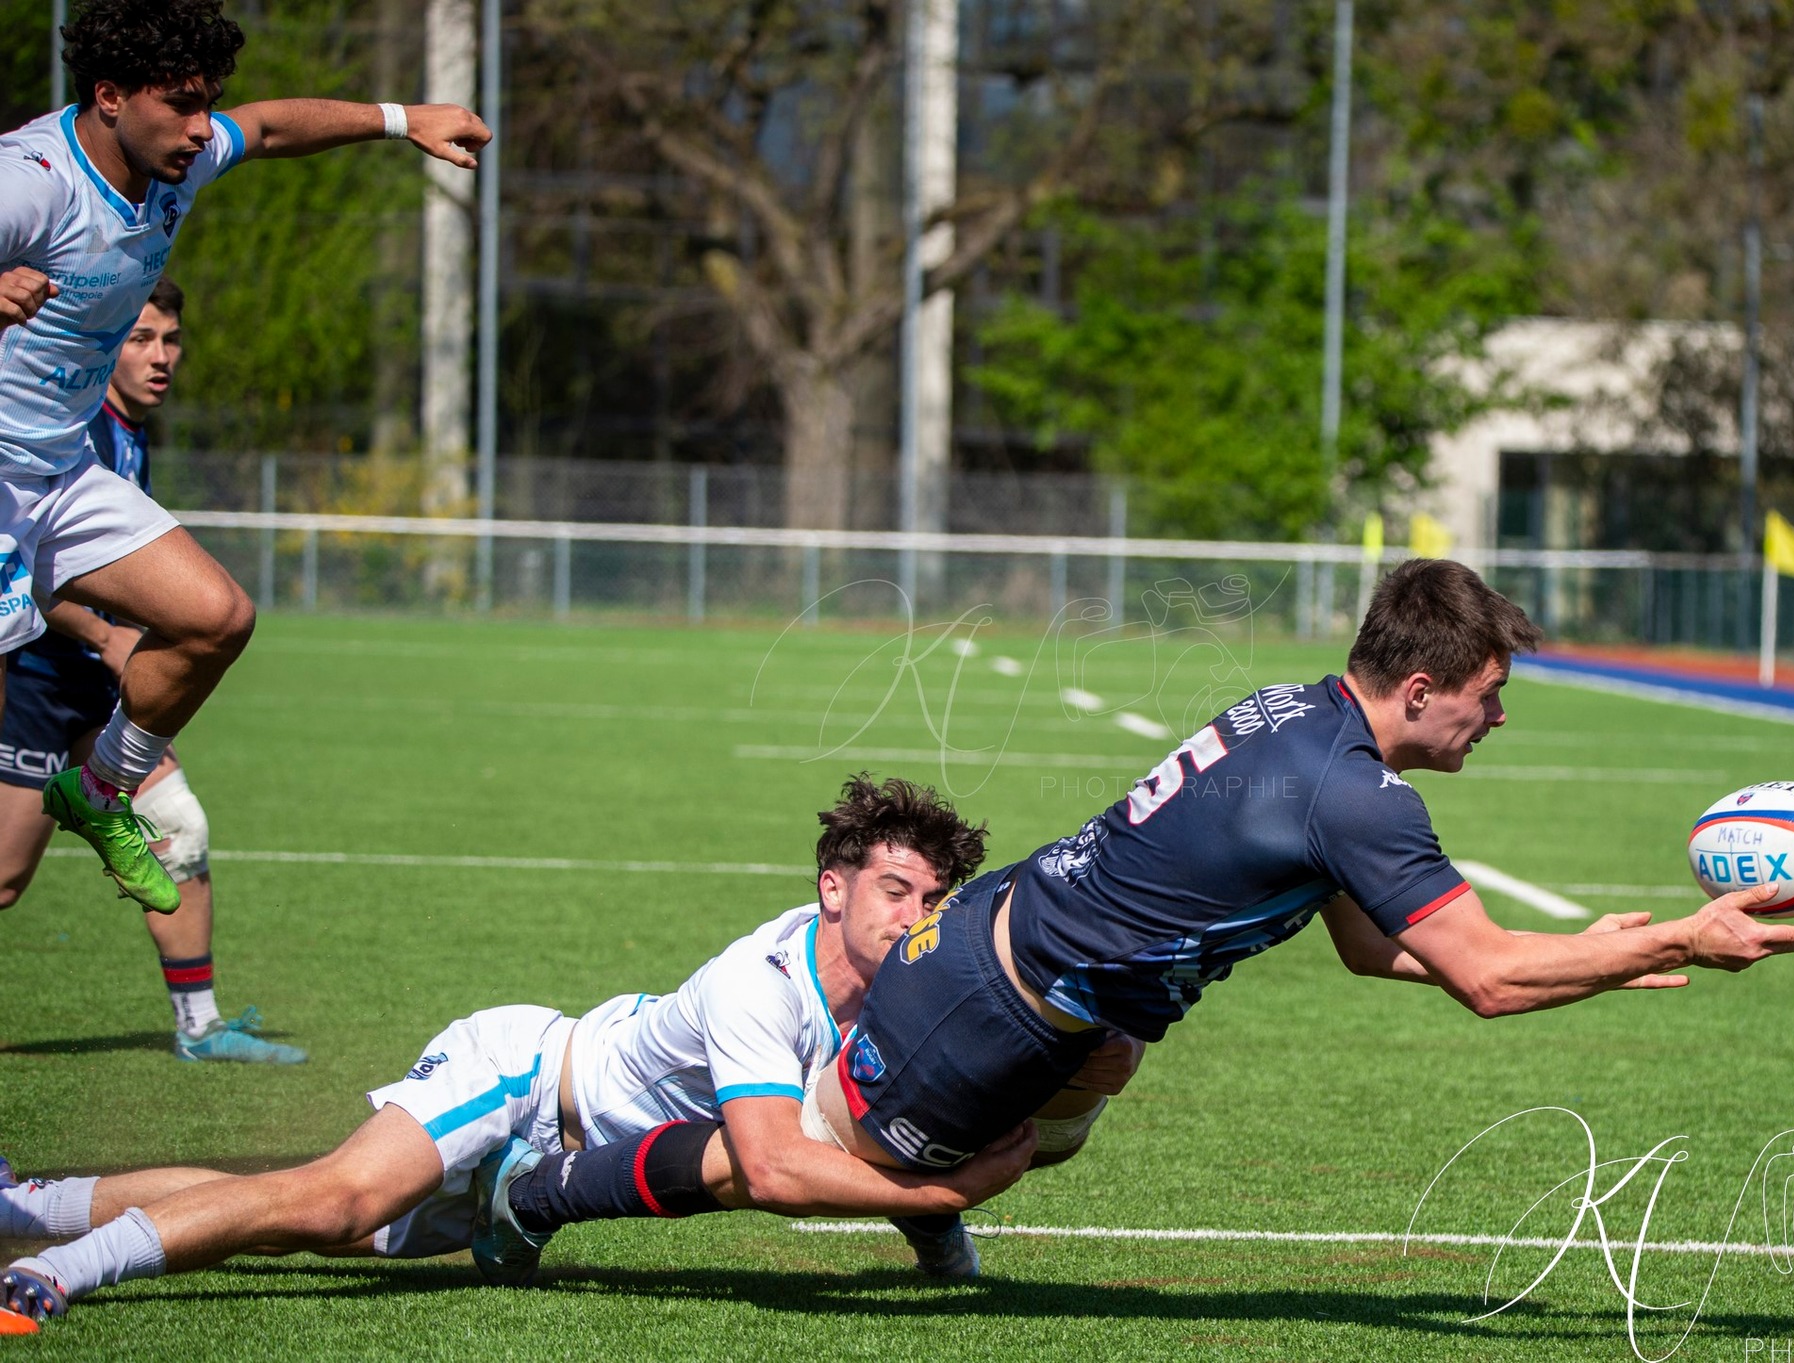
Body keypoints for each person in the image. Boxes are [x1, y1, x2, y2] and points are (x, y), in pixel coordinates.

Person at [791, 559, 1794, 1177]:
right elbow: (1487, 978)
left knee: (1106, 1054)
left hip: (1014, 955)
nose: (1497, 718)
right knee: (807, 1166)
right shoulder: (1353, 797)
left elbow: (1375, 952)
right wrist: (1681, 934)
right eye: (1488, 693)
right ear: (1419, 691)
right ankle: (642, 1125)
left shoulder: (1302, 714)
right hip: (980, 1003)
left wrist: (1596, 950)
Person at [0, 777, 1138, 1329]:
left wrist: (948, 1258)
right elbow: (776, 1168)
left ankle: (30, 1204)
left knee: (292, 1206)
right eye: (893, 889)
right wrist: (961, 1189)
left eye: (932, 897)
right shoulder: (765, 984)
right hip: (525, 1078)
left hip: (575, 1144)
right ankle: (57, 1272)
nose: (913, 914)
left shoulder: (898, 997)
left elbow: (888, 1125)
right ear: (832, 887)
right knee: (331, 1206)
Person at [0, 0, 488, 913]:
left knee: (216, 617)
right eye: (182, 105)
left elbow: (264, 129)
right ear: (108, 96)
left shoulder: (172, 161)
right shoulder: (30, 184)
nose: (201, 127)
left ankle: (100, 789)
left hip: (58, 471)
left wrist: (402, 120)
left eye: (206, 103)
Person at [0, 278, 302, 1064]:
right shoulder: (71, 432)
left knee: (179, 828)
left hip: (100, 693)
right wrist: (106, 632)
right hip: (35, 683)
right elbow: (31, 571)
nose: (159, 356)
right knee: (3, 880)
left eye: (170, 339)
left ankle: (199, 1025)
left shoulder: (129, 434)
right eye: (139, 339)